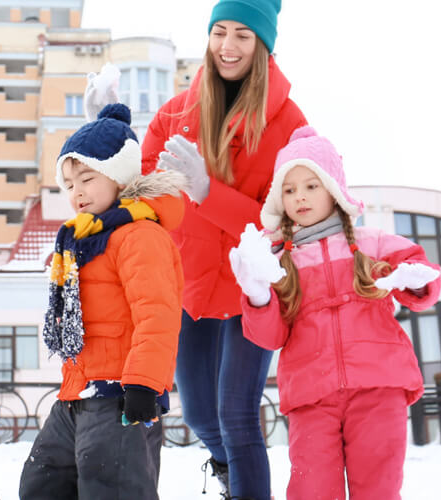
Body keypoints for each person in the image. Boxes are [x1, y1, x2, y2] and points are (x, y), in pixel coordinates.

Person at [132, 0, 307, 497]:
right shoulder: (176, 113)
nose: (227, 46)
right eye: (220, 32)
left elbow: (283, 220)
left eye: (243, 36)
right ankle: (236, 476)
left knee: (236, 413)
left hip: (250, 285)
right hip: (189, 284)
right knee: (200, 412)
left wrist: (208, 192)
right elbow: (141, 190)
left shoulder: (289, 124)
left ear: (263, 44)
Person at [229, 126, 441, 499]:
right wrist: (258, 296)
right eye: (290, 189)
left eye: (311, 186)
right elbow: (271, 336)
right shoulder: (277, 261)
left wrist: (413, 279)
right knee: (311, 490)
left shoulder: (370, 243)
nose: (300, 197)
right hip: (312, 397)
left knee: (378, 487)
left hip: (379, 387)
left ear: (333, 188)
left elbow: (420, 280)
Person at [16, 103, 186, 499]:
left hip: (122, 395)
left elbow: (157, 314)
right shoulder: (82, 240)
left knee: (113, 488)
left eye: (88, 178)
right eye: (70, 182)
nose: (77, 191)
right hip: (77, 393)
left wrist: (143, 384)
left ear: (120, 177)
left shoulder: (139, 236)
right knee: (41, 483)